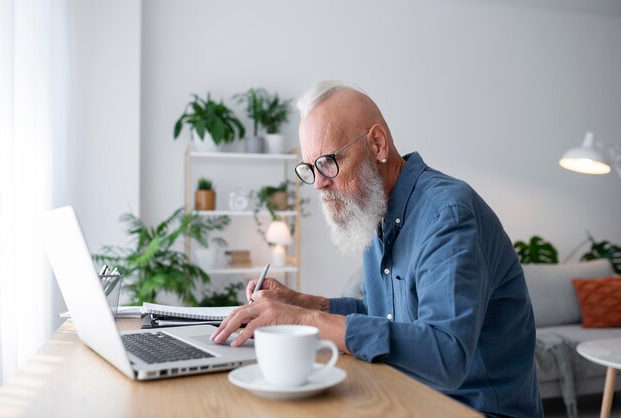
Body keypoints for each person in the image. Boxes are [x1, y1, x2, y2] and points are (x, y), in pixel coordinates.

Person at [211, 80, 543, 417]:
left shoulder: (447, 215)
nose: (320, 182)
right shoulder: (375, 208)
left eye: (328, 161)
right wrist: (300, 302)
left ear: (377, 144)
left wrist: (305, 319)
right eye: (311, 169)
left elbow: (447, 354)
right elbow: (384, 315)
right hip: (409, 398)